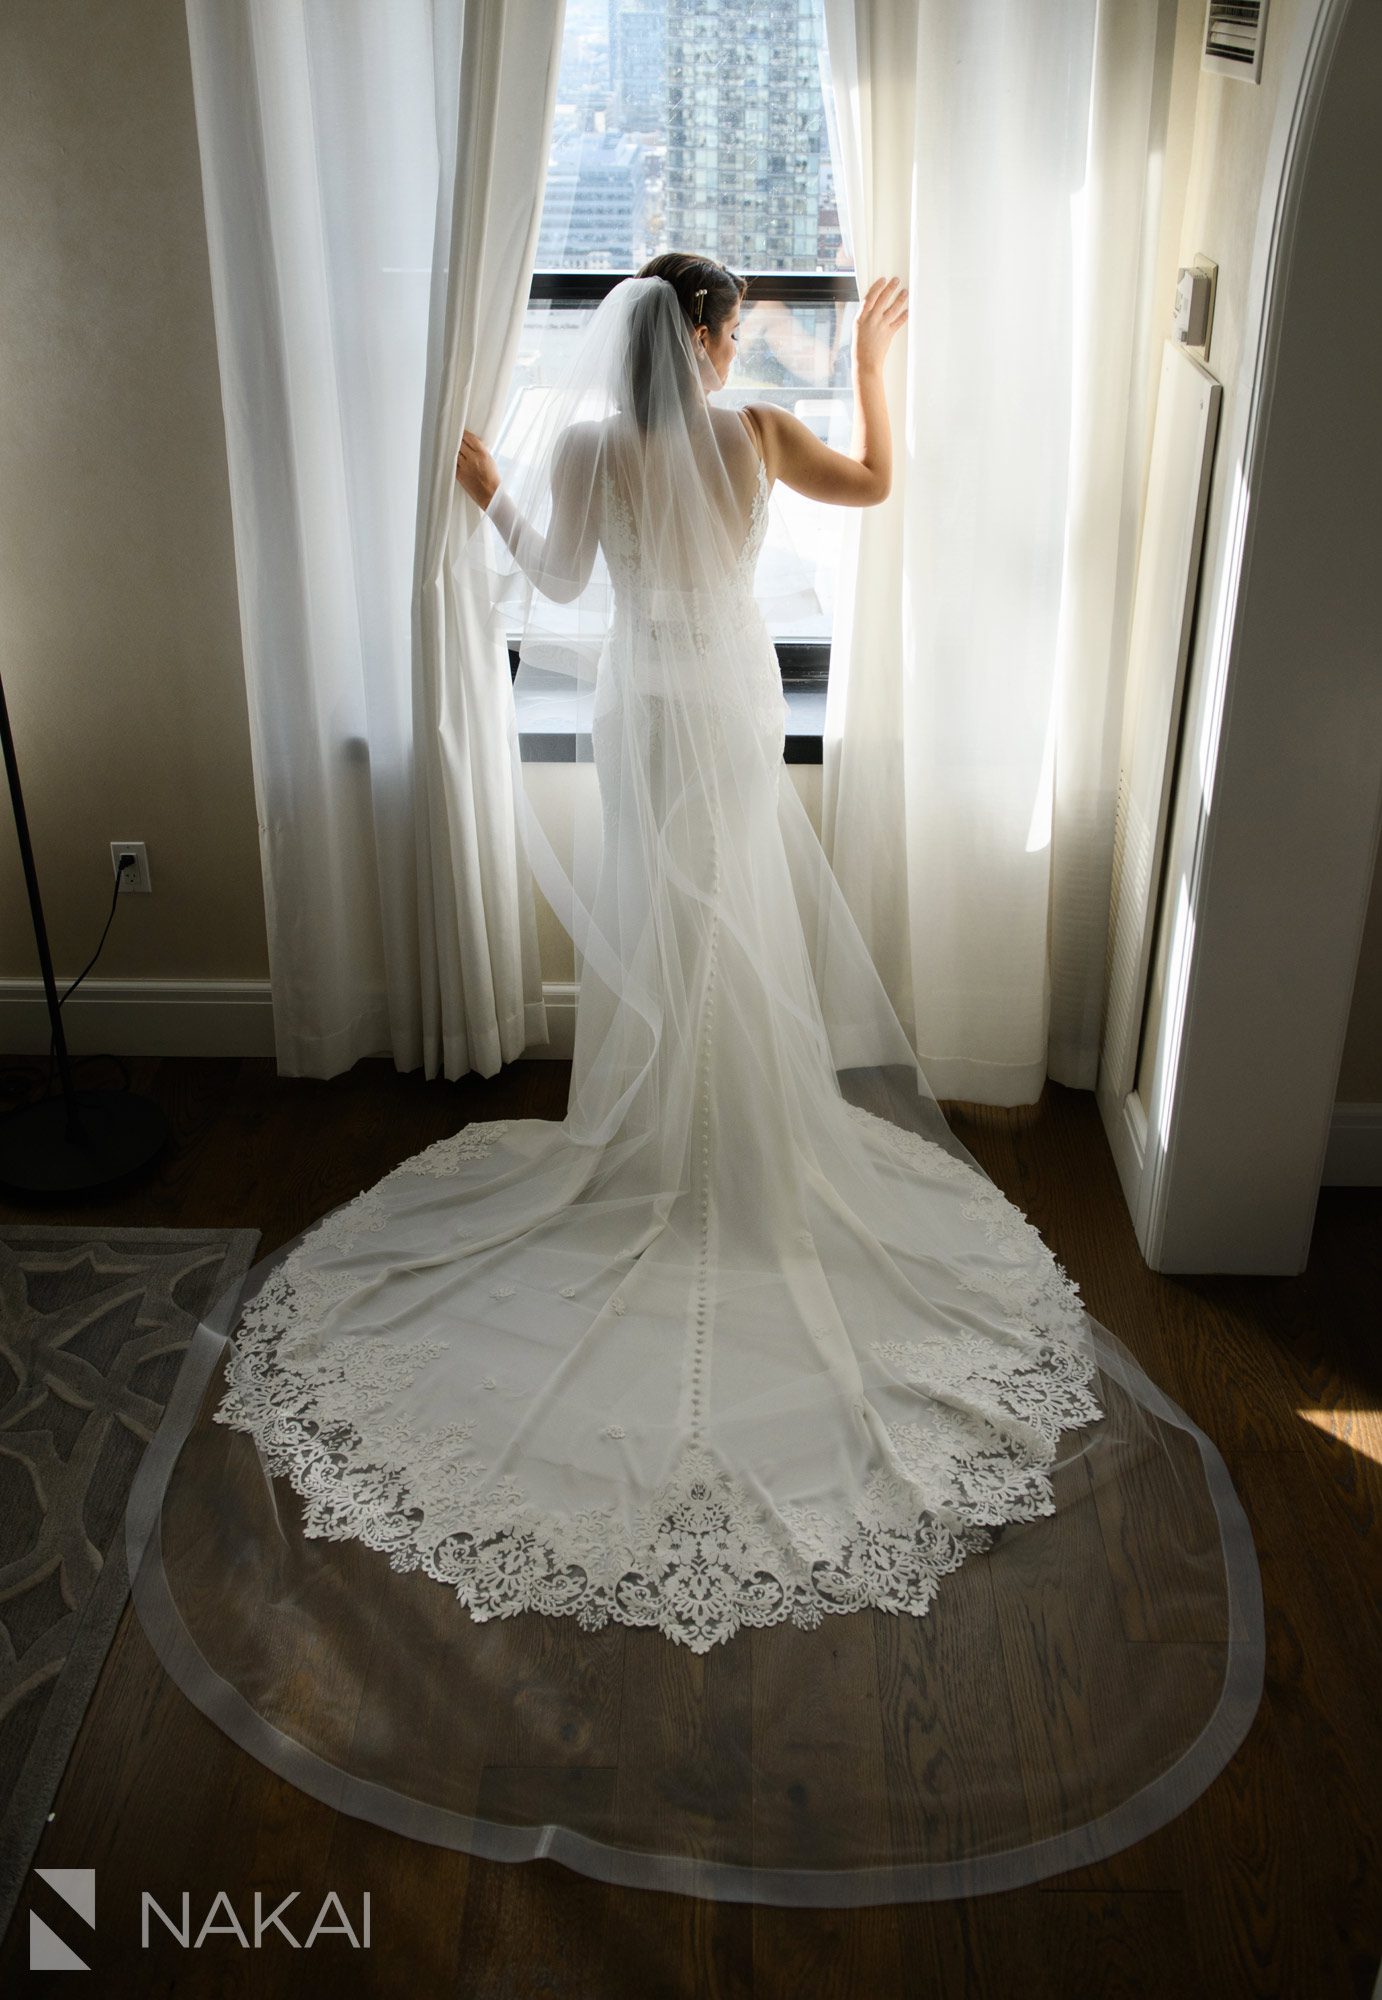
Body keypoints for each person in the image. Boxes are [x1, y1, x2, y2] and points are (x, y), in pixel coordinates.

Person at [133, 251, 1263, 1905]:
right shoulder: (755, 438)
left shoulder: (594, 453)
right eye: (740, 328)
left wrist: (483, 485)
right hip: (730, 716)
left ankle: (659, 1140)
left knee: (667, 955)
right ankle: (736, 1148)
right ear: (720, 339)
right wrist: (877, 357)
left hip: (644, 725)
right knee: (737, 943)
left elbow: (553, 576)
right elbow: (879, 484)